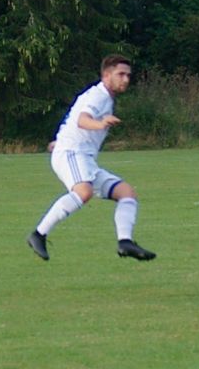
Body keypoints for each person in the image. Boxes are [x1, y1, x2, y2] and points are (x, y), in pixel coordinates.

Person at [26, 55, 156, 262]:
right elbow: (82, 120)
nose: (126, 79)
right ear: (106, 75)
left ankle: (125, 242)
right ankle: (38, 234)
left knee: (126, 193)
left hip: (81, 157)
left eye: (128, 75)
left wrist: (57, 140)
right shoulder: (99, 95)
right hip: (72, 153)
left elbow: (72, 117)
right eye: (120, 74)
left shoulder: (101, 96)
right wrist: (101, 123)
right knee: (83, 192)